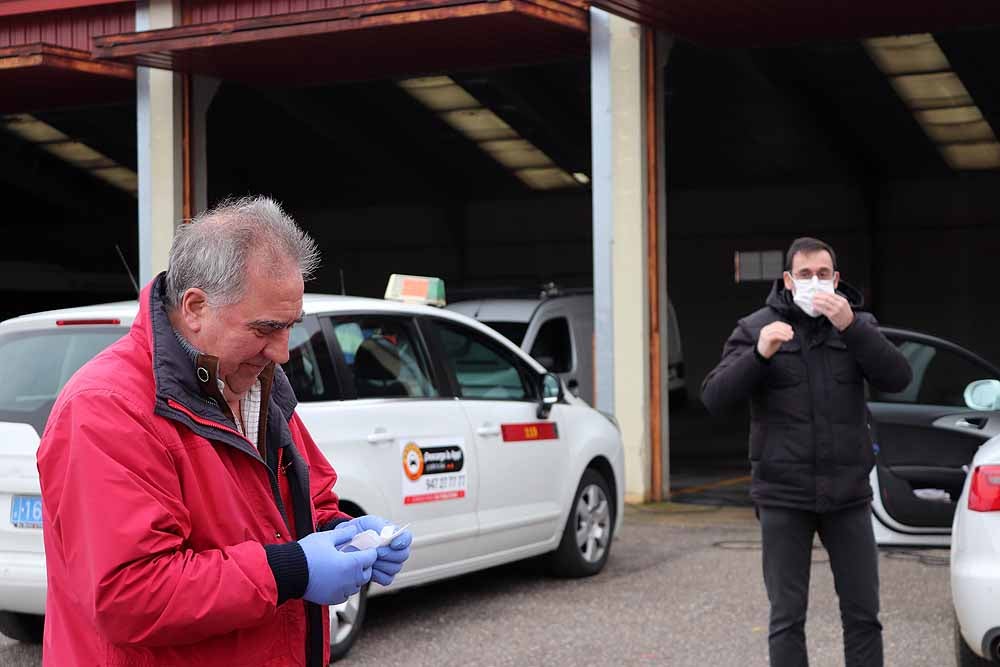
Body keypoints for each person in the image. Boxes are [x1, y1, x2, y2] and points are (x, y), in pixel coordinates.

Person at [37, 196, 412, 667]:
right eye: (265, 328)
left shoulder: (255, 384)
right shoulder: (107, 408)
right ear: (195, 307)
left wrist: (346, 536)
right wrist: (292, 570)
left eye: (290, 327)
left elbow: (306, 503)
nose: (281, 352)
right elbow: (129, 594)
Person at [701, 237, 912, 667]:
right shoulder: (755, 328)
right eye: (804, 275)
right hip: (783, 497)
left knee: (863, 616)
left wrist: (851, 327)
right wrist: (759, 355)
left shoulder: (858, 326)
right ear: (787, 280)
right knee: (786, 619)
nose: (813, 283)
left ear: (835, 280)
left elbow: (898, 378)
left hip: (848, 496)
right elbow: (714, 397)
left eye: (822, 275)